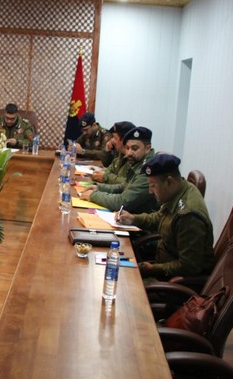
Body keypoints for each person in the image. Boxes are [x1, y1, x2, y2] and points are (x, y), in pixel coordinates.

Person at [117, 154, 215, 282]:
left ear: (169, 181)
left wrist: (152, 268)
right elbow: (160, 217)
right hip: (161, 262)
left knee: (123, 282)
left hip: (171, 282)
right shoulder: (179, 190)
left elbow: (188, 266)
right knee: (119, 264)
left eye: (153, 186)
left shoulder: (188, 216)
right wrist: (133, 218)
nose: (150, 191)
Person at [80, 126, 158, 214]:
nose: (129, 153)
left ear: (147, 148)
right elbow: (123, 186)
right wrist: (99, 187)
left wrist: (93, 195)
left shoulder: (149, 170)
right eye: (128, 148)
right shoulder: (138, 162)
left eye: (135, 148)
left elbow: (123, 202)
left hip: (140, 223)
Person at [91, 120, 135, 184]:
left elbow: (127, 183)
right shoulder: (120, 153)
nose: (112, 140)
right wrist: (107, 152)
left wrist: (106, 176)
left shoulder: (133, 158)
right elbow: (109, 167)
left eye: (114, 137)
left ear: (124, 140)